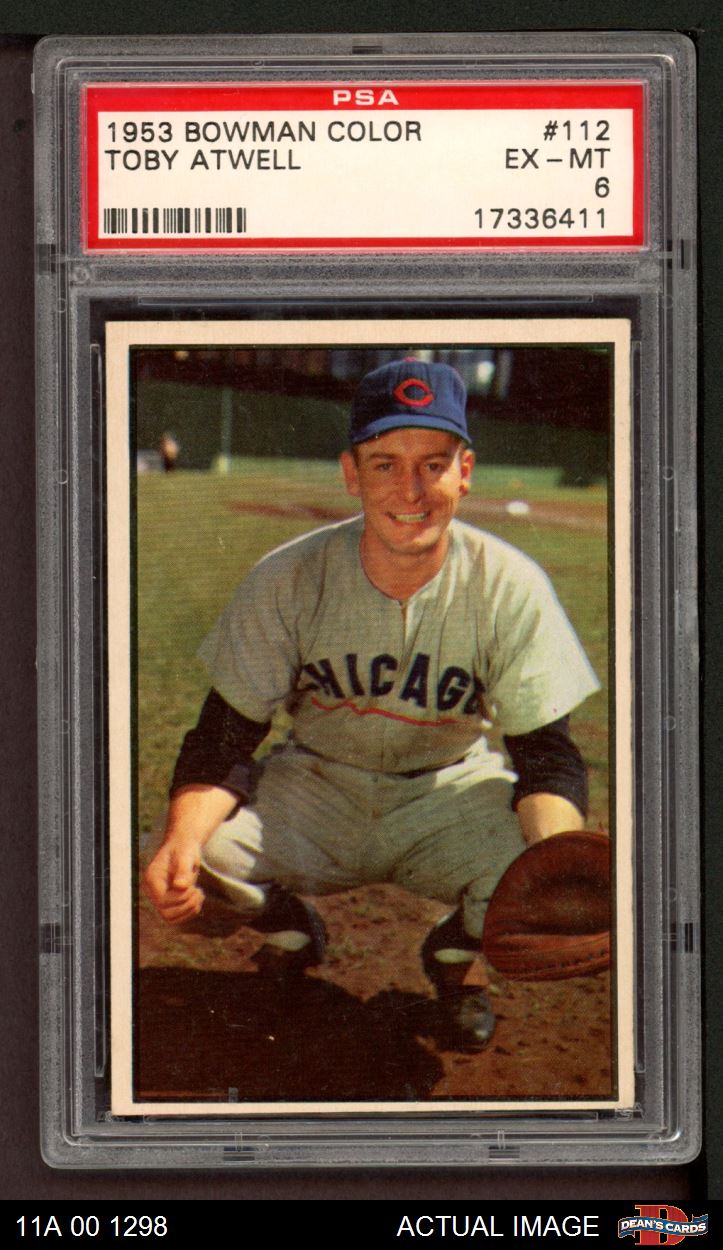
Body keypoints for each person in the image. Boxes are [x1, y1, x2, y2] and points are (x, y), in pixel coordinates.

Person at [144, 359, 600, 1050]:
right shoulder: (287, 578)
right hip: (318, 783)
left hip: (448, 793)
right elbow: (221, 740)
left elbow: (547, 759)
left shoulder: (510, 585)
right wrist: (181, 841)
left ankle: (454, 954)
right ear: (351, 474)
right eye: (385, 464)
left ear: (464, 472)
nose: (410, 489)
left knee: (536, 870)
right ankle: (289, 929)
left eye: (432, 464)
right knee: (190, 851)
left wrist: (557, 863)